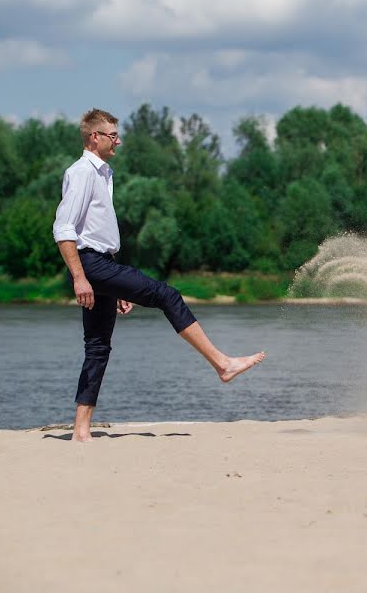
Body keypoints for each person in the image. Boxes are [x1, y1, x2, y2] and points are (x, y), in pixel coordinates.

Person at [53, 108, 265, 442]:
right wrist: (81, 278)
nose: (118, 141)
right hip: (90, 265)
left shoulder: (103, 174)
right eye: (112, 135)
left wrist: (113, 286)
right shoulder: (81, 173)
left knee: (98, 347)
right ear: (95, 137)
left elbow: (96, 232)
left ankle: (81, 430)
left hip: (99, 266)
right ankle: (222, 364)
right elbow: (64, 229)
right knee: (167, 295)